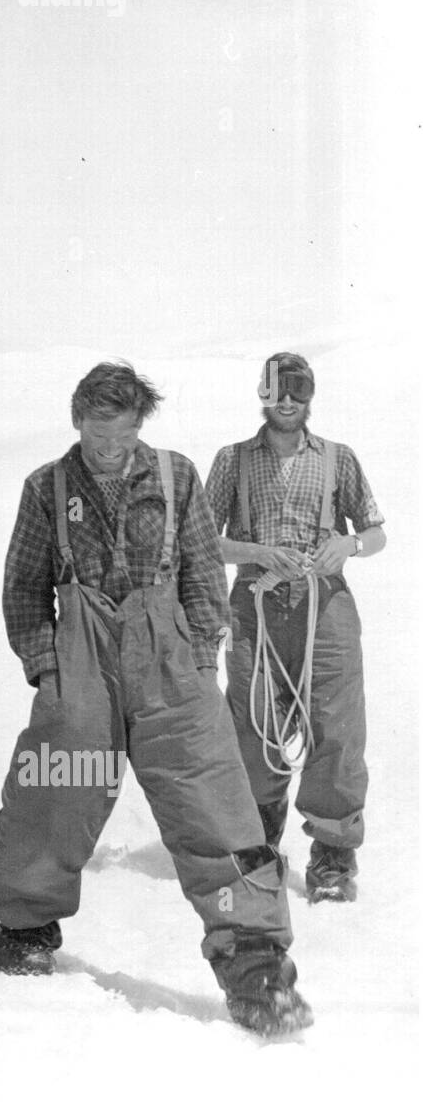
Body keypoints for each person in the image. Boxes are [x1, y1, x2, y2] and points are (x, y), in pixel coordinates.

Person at [0, 361, 311, 1037]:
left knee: (212, 800)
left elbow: (199, 569)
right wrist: (48, 670)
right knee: (59, 783)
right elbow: (22, 587)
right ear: (78, 420)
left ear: (140, 425)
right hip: (82, 653)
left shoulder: (175, 474)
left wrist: (199, 649)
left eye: (124, 433)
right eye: (98, 433)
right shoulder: (46, 487)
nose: (110, 448)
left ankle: (255, 963)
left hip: (168, 654)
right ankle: (26, 923)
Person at [205, 352, 385, 903]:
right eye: (277, 392)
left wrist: (347, 544)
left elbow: (376, 533)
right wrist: (258, 552)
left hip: (325, 608)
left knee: (337, 725)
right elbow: (204, 542)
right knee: (253, 724)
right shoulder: (232, 460)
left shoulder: (339, 458)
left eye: (297, 392)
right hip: (255, 608)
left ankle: (332, 857)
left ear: (311, 396)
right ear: (261, 396)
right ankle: (258, 847)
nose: (287, 402)